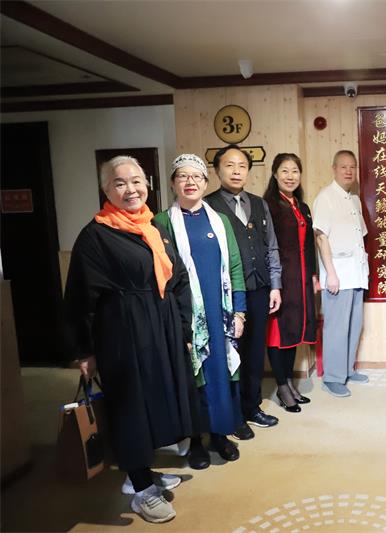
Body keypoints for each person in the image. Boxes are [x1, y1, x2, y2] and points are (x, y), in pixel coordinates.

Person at [63, 155, 193, 523]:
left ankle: (141, 471)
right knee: (131, 408)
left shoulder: (152, 226)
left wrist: (183, 329)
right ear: (106, 190)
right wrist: (84, 351)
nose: (130, 189)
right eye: (119, 183)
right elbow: (79, 299)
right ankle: (141, 490)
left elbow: (177, 278)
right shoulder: (95, 235)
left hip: (161, 328)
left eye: (136, 181)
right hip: (123, 333)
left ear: (147, 184)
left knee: (156, 402)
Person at [154, 153, 247, 467]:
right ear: (173, 183)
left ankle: (220, 435)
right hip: (185, 316)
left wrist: (240, 312)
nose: (190, 182)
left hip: (219, 312)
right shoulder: (162, 222)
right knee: (193, 377)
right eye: (182, 176)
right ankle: (195, 440)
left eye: (196, 176)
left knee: (221, 373)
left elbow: (235, 266)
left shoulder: (219, 221)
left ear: (206, 183)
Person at [205, 145, 282, 439]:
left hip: (259, 288)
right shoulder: (209, 205)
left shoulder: (259, 204)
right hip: (226, 294)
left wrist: (275, 285)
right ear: (217, 170)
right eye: (229, 165)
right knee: (230, 352)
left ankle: (252, 406)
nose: (236, 171)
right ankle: (233, 413)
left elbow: (271, 246)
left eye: (242, 166)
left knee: (254, 350)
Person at [312, 150, 370, 397]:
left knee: (354, 325)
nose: (348, 171)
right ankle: (333, 378)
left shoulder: (354, 199)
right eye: (343, 166)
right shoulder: (325, 197)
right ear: (334, 168)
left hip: (357, 273)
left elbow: (359, 236)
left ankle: (347, 369)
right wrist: (331, 274)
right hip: (338, 275)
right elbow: (321, 237)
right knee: (336, 328)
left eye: (352, 167)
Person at [263, 153, 317, 412]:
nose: (290, 176)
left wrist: (314, 275)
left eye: (294, 171)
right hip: (281, 279)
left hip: (301, 279)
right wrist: (273, 282)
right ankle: (282, 386)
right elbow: (267, 247)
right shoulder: (268, 206)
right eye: (284, 171)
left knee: (294, 331)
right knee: (278, 334)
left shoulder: (301, 206)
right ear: (275, 174)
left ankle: (291, 384)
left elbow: (310, 245)